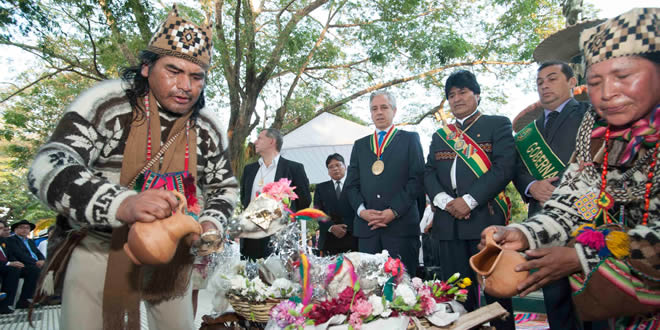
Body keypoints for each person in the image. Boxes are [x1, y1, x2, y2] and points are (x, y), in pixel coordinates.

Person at [27, 5, 238, 329]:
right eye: (173, 71)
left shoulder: (208, 127)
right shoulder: (107, 104)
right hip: (98, 246)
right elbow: (47, 166)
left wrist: (211, 224)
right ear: (145, 67)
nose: (185, 85)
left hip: (174, 258)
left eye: (196, 77)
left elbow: (223, 188)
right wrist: (121, 203)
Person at [481, 8, 659, 328]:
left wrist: (583, 257)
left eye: (623, 76)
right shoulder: (598, 129)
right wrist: (523, 234)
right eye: (596, 81)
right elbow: (580, 199)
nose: (606, 94)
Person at [423, 70, 515, 329]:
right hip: (447, 223)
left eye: (462, 92)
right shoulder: (440, 135)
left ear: (476, 94)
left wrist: (469, 200)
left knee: (497, 291)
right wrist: (443, 201)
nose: (457, 99)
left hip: (484, 219)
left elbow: (504, 167)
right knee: (456, 296)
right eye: (451, 95)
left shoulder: (497, 124)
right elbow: (428, 172)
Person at [512, 61, 590, 329]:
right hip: (541, 220)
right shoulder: (527, 134)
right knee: (555, 299)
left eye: (552, 78)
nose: (544, 85)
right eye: (539, 81)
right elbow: (518, 169)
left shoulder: (591, 115)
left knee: (590, 297)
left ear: (571, 82)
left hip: (584, 218)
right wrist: (532, 185)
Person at [344, 90, 424, 275]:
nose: (379, 112)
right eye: (374, 109)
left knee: (404, 289)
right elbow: (351, 185)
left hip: (400, 228)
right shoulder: (360, 145)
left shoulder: (410, 139)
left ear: (394, 110)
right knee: (369, 290)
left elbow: (417, 180)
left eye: (384, 107)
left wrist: (393, 211)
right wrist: (362, 211)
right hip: (368, 230)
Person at [239, 128, 311, 260]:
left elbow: (304, 201)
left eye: (260, 138)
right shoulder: (249, 169)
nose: (255, 142)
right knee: (248, 278)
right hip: (251, 236)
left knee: (279, 278)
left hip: (279, 237)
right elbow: (244, 198)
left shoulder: (294, 168)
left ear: (272, 141)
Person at [313, 153, 358, 256]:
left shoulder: (355, 185)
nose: (335, 169)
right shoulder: (321, 188)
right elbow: (317, 212)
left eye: (338, 165)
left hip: (353, 238)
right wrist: (332, 227)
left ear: (345, 167)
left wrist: (346, 228)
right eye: (331, 167)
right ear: (328, 171)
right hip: (329, 240)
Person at [4, 220, 44, 310]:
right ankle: (24, 300)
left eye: (27, 228)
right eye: (21, 227)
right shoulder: (11, 240)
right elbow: (19, 254)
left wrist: (43, 260)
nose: (25, 230)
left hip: (34, 264)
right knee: (34, 270)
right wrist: (35, 262)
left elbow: (38, 252)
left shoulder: (30, 241)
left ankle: (50, 297)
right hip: (22, 265)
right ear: (15, 230)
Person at [0, 220, 29, 314]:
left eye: (1, 228)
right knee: (12, 269)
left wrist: (14, 262)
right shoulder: (10, 240)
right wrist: (8, 264)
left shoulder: (2, 242)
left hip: (5, 266)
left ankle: (7, 304)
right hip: (3, 266)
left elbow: (9, 255)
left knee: (17, 269)